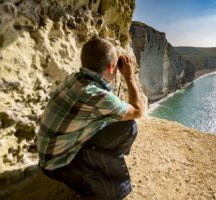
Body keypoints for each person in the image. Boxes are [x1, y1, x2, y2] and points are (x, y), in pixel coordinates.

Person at [37, 38, 144, 200]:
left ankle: (99, 162)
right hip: (60, 166)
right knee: (129, 126)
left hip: (49, 156)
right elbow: (137, 111)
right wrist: (129, 77)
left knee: (118, 125)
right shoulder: (95, 95)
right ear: (111, 67)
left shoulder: (76, 78)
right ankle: (95, 174)